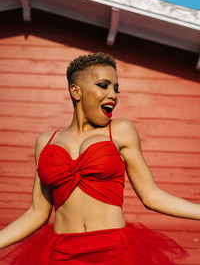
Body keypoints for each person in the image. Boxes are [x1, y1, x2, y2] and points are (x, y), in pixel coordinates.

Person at [0, 52, 199, 265]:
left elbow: (152, 196)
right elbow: (37, 214)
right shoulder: (46, 142)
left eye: (116, 88)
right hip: (60, 254)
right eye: (104, 86)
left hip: (114, 251)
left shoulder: (121, 131)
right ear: (75, 91)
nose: (113, 94)